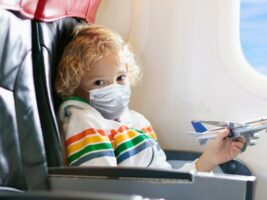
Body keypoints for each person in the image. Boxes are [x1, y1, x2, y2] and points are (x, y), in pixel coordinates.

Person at [55, 24, 245, 172]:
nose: (114, 89)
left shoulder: (137, 122)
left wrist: (209, 159)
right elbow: (100, 186)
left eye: (120, 78)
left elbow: (164, 179)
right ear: (74, 85)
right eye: (99, 83)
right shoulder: (85, 122)